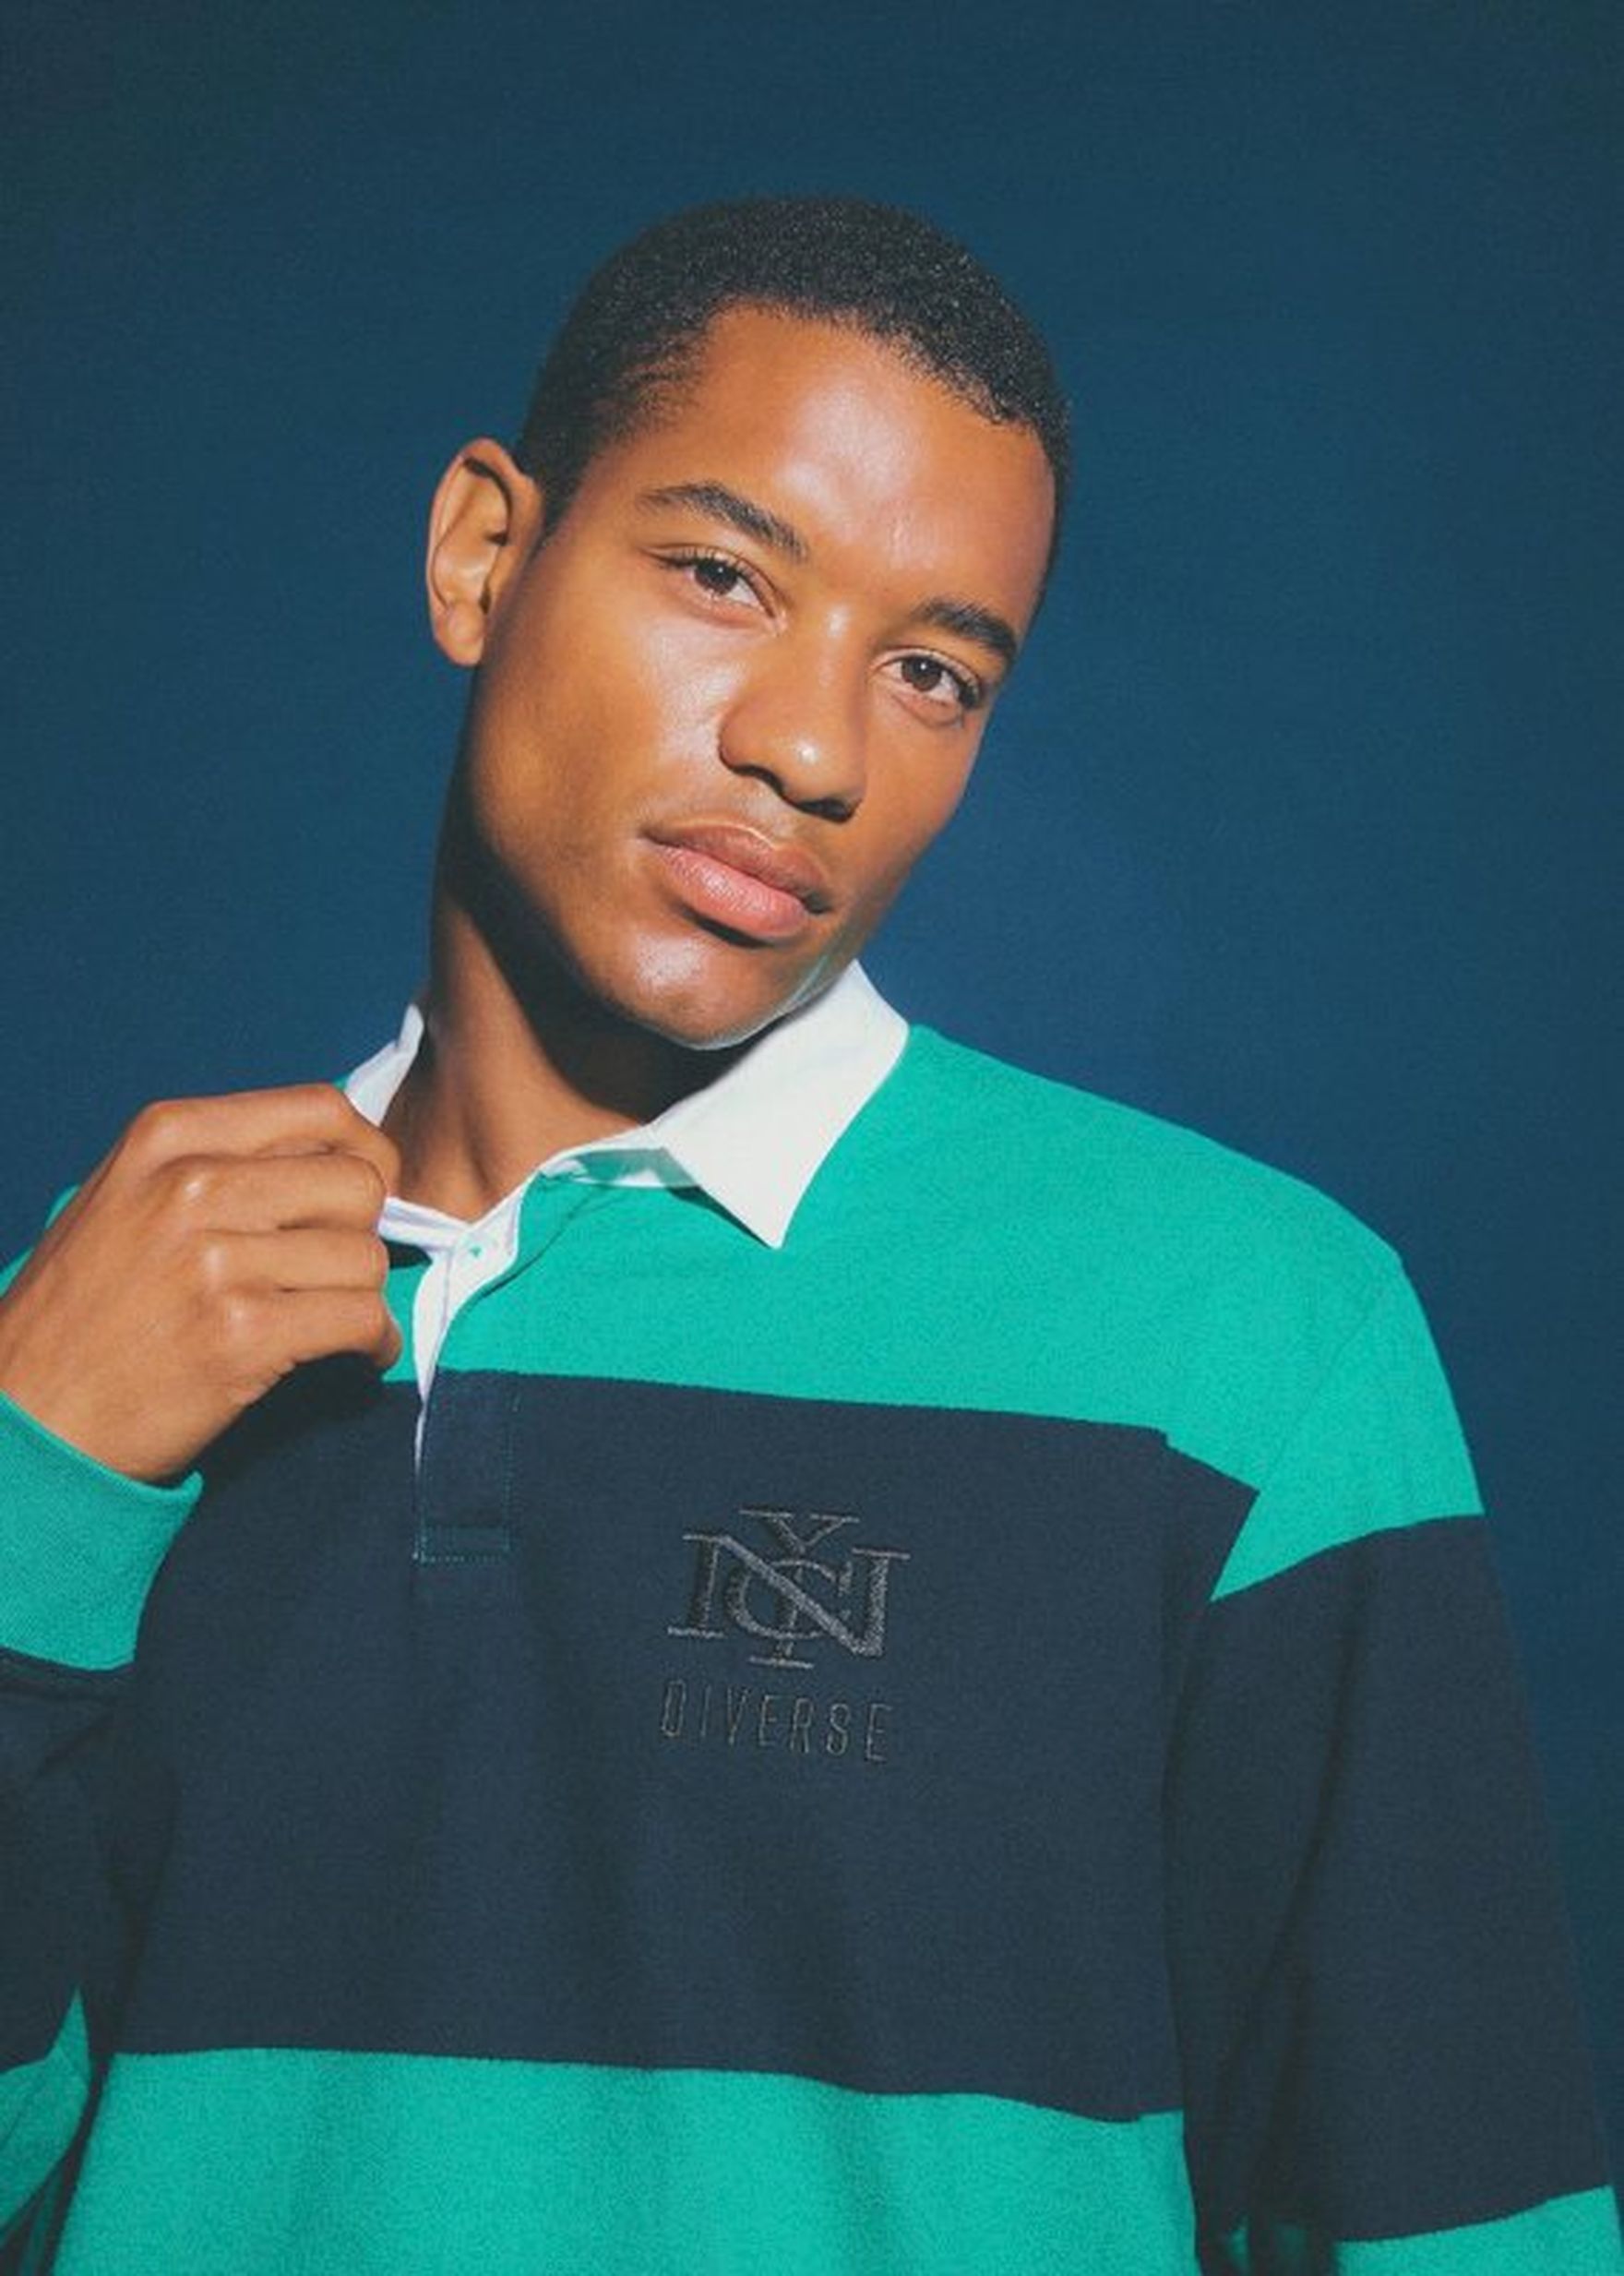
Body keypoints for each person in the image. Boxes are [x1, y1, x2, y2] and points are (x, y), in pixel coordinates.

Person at [0, 197, 1616, 2276]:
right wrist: (28, 1487)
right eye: (722, 575)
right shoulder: (110, 1315)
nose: (812, 749)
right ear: (482, 554)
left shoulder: (1248, 1341)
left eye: (931, 671)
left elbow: (1450, 2220)